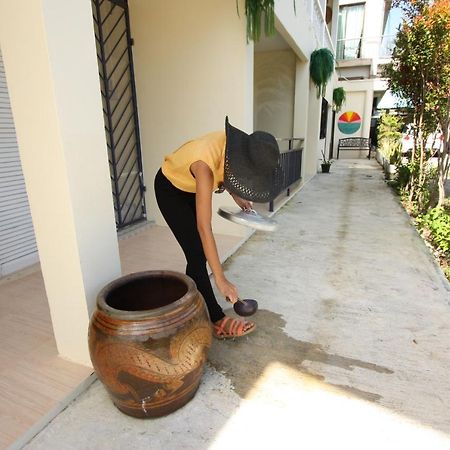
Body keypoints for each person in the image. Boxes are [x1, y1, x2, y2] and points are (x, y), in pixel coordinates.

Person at [154, 117, 282, 339]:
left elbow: (229, 172)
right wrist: (221, 279)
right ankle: (216, 319)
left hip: (191, 187)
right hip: (170, 190)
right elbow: (205, 227)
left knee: (197, 256)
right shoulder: (204, 166)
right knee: (196, 253)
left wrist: (236, 195)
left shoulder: (239, 147)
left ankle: (195, 307)